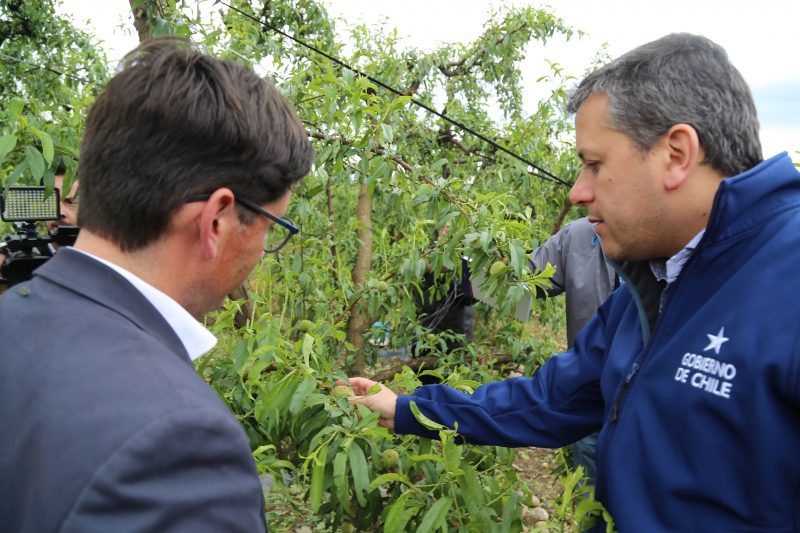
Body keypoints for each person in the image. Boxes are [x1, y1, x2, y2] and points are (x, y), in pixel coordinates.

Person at [344, 33, 800, 530]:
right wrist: (408, 409)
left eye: (594, 164)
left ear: (676, 154)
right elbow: (550, 399)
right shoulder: (651, 286)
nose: (578, 192)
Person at [0, 37, 313, 533]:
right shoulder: (181, 444)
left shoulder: (13, 317)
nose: (262, 250)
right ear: (216, 220)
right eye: (272, 228)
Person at [530, 216, 617, 484]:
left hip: (648, 409)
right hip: (591, 397)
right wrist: (472, 265)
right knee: (589, 487)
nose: (580, 197)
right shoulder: (579, 235)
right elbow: (524, 278)